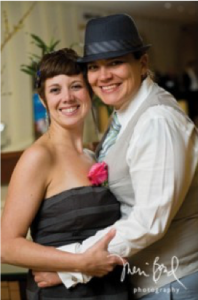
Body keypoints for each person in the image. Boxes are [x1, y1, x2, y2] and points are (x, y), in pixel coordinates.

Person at [34, 14, 198, 299]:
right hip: (146, 282)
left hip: (174, 282)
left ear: (142, 63)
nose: (104, 76)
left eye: (115, 63)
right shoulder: (123, 114)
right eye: (94, 67)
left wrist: (69, 266)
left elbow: (148, 221)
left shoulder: (156, 121)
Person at [0, 48, 131, 300]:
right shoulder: (39, 157)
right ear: (42, 100)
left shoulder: (93, 155)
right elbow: (5, 247)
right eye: (55, 90)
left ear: (89, 92)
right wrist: (79, 264)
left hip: (110, 289)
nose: (67, 97)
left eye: (75, 86)